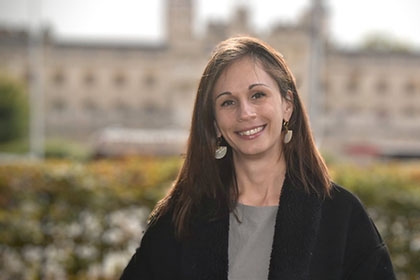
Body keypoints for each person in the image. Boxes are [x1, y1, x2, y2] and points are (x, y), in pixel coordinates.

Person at [120, 36, 396, 280]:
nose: (245, 113)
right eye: (228, 102)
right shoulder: (181, 217)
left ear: (287, 105)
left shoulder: (341, 215)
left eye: (258, 95)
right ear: (214, 122)